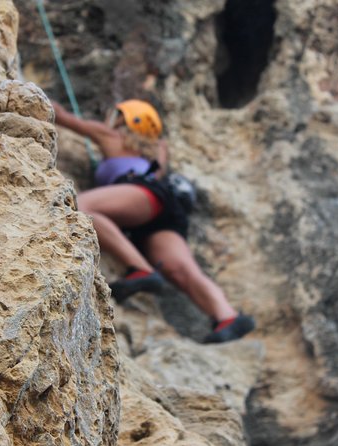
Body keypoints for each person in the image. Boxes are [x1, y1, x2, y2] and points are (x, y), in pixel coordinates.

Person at [52, 99, 255, 343]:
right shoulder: (157, 150)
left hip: (141, 195)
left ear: (123, 120)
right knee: (181, 270)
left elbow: (62, 115)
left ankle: (140, 269)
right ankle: (227, 316)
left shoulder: (112, 136)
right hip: (163, 207)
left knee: (81, 206)